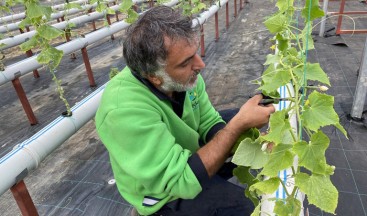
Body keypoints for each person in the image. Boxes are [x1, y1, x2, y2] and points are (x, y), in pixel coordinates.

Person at [95, 5, 275, 216]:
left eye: (195, 54)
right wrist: (236, 128)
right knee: (248, 210)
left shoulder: (182, 79)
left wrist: (250, 140)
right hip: (164, 192)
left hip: (185, 158)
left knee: (237, 119)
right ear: (154, 76)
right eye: (185, 63)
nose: (200, 65)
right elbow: (180, 180)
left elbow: (208, 121)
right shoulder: (123, 109)